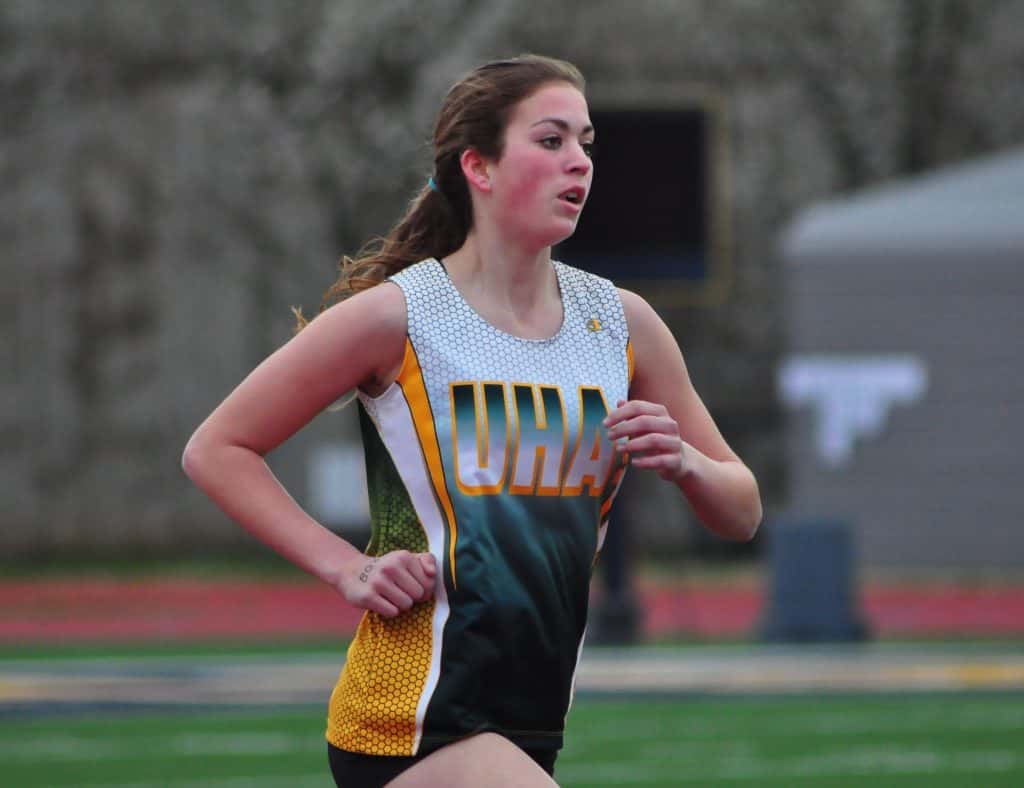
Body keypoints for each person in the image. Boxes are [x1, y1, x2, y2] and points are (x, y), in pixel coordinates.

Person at [182, 53, 762, 788]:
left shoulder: (622, 324)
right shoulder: (398, 316)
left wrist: (687, 463)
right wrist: (347, 566)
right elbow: (217, 448)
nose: (579, 161)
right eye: (550, 140)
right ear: (478, 168)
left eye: (586, 142)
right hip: (412, 717)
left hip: (531, 722)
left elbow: (742, 511)